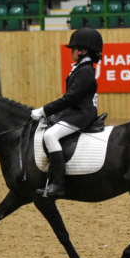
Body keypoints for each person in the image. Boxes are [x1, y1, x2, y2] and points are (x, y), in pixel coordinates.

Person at [31, 27, 103, 197]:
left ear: (83, 51)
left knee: (50, 136)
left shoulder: (85, 71)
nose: (71, 53)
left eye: (73, 50)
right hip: (75, 111)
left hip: (81, 114)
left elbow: (70, 99)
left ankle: (58, 184)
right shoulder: (81, 68)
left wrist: (43, 110)